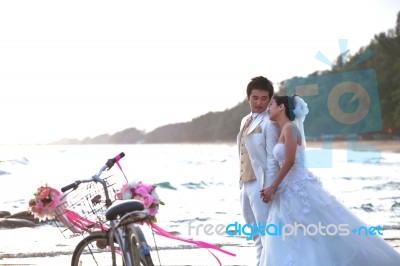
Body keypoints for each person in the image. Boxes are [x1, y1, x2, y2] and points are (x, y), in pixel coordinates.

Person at [260, 95, 400, 265]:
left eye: (271, 104)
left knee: (316, 231)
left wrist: (273, 186)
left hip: (297, 187)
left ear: (281, 107)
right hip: (288, 188)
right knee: (296, 234)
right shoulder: (283, 129)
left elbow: (289, 161)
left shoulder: (289, 129)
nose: (268, 108)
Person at [237, 76, 280, 266]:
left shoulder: (269, 122)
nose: (259, 102)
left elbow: (272, 157)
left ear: (270, 99)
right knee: (254, 232)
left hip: (260, 184)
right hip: (244, 182)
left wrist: (269, 187)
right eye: (255, 97)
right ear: (248, 97)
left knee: (265, 232)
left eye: (264, 98)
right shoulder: (245, 120)